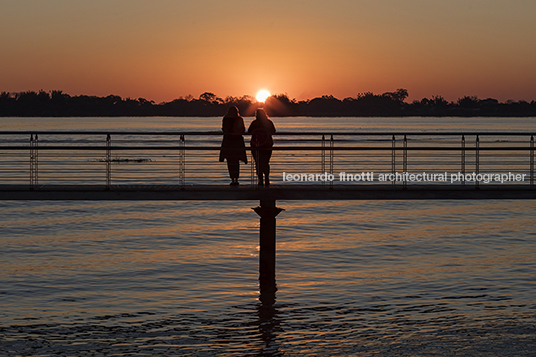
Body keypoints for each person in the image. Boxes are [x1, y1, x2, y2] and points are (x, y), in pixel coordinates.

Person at [219, 106, 247, 185]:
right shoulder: (239, 119)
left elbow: (224, 129)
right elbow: (243, 129)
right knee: (236, 161)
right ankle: (236, 179)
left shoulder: (225, 119)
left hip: (228, 142)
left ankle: (232, 179)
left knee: (230, 161)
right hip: (237, 142)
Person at [248, 108, 276, 187]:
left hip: (256, 145)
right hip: (267, 144)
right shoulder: (268, 122)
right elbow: (273, 131)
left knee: (258, 162)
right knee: (266, 162)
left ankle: (260, 180)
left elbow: (249, 131)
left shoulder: (254, 123)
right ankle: (267, 178)